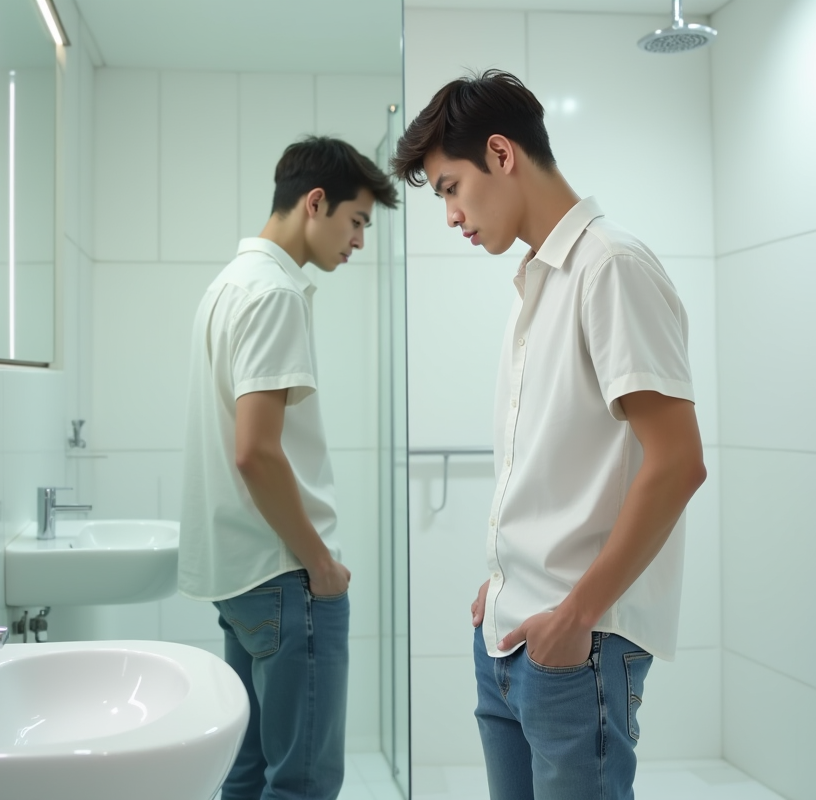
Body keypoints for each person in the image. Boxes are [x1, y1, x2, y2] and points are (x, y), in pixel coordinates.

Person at [391, 70, 707, 800]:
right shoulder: (539, 278)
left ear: (501, 154)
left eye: (450, 188)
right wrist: (504, 580)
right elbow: (553, 464)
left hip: (575, 646)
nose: (450, 216)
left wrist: (576, 615)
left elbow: (678, 463)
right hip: (510, 635)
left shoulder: (611, 268)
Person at [180, 135, 398, 800]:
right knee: (303, 782)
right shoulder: (275, 294)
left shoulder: (228, 285)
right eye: (356, 221)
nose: (359, 241)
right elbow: (255, 451)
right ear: (315, 202)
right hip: (286, 575)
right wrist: (320, 564)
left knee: (247, 773)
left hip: (241, 575)